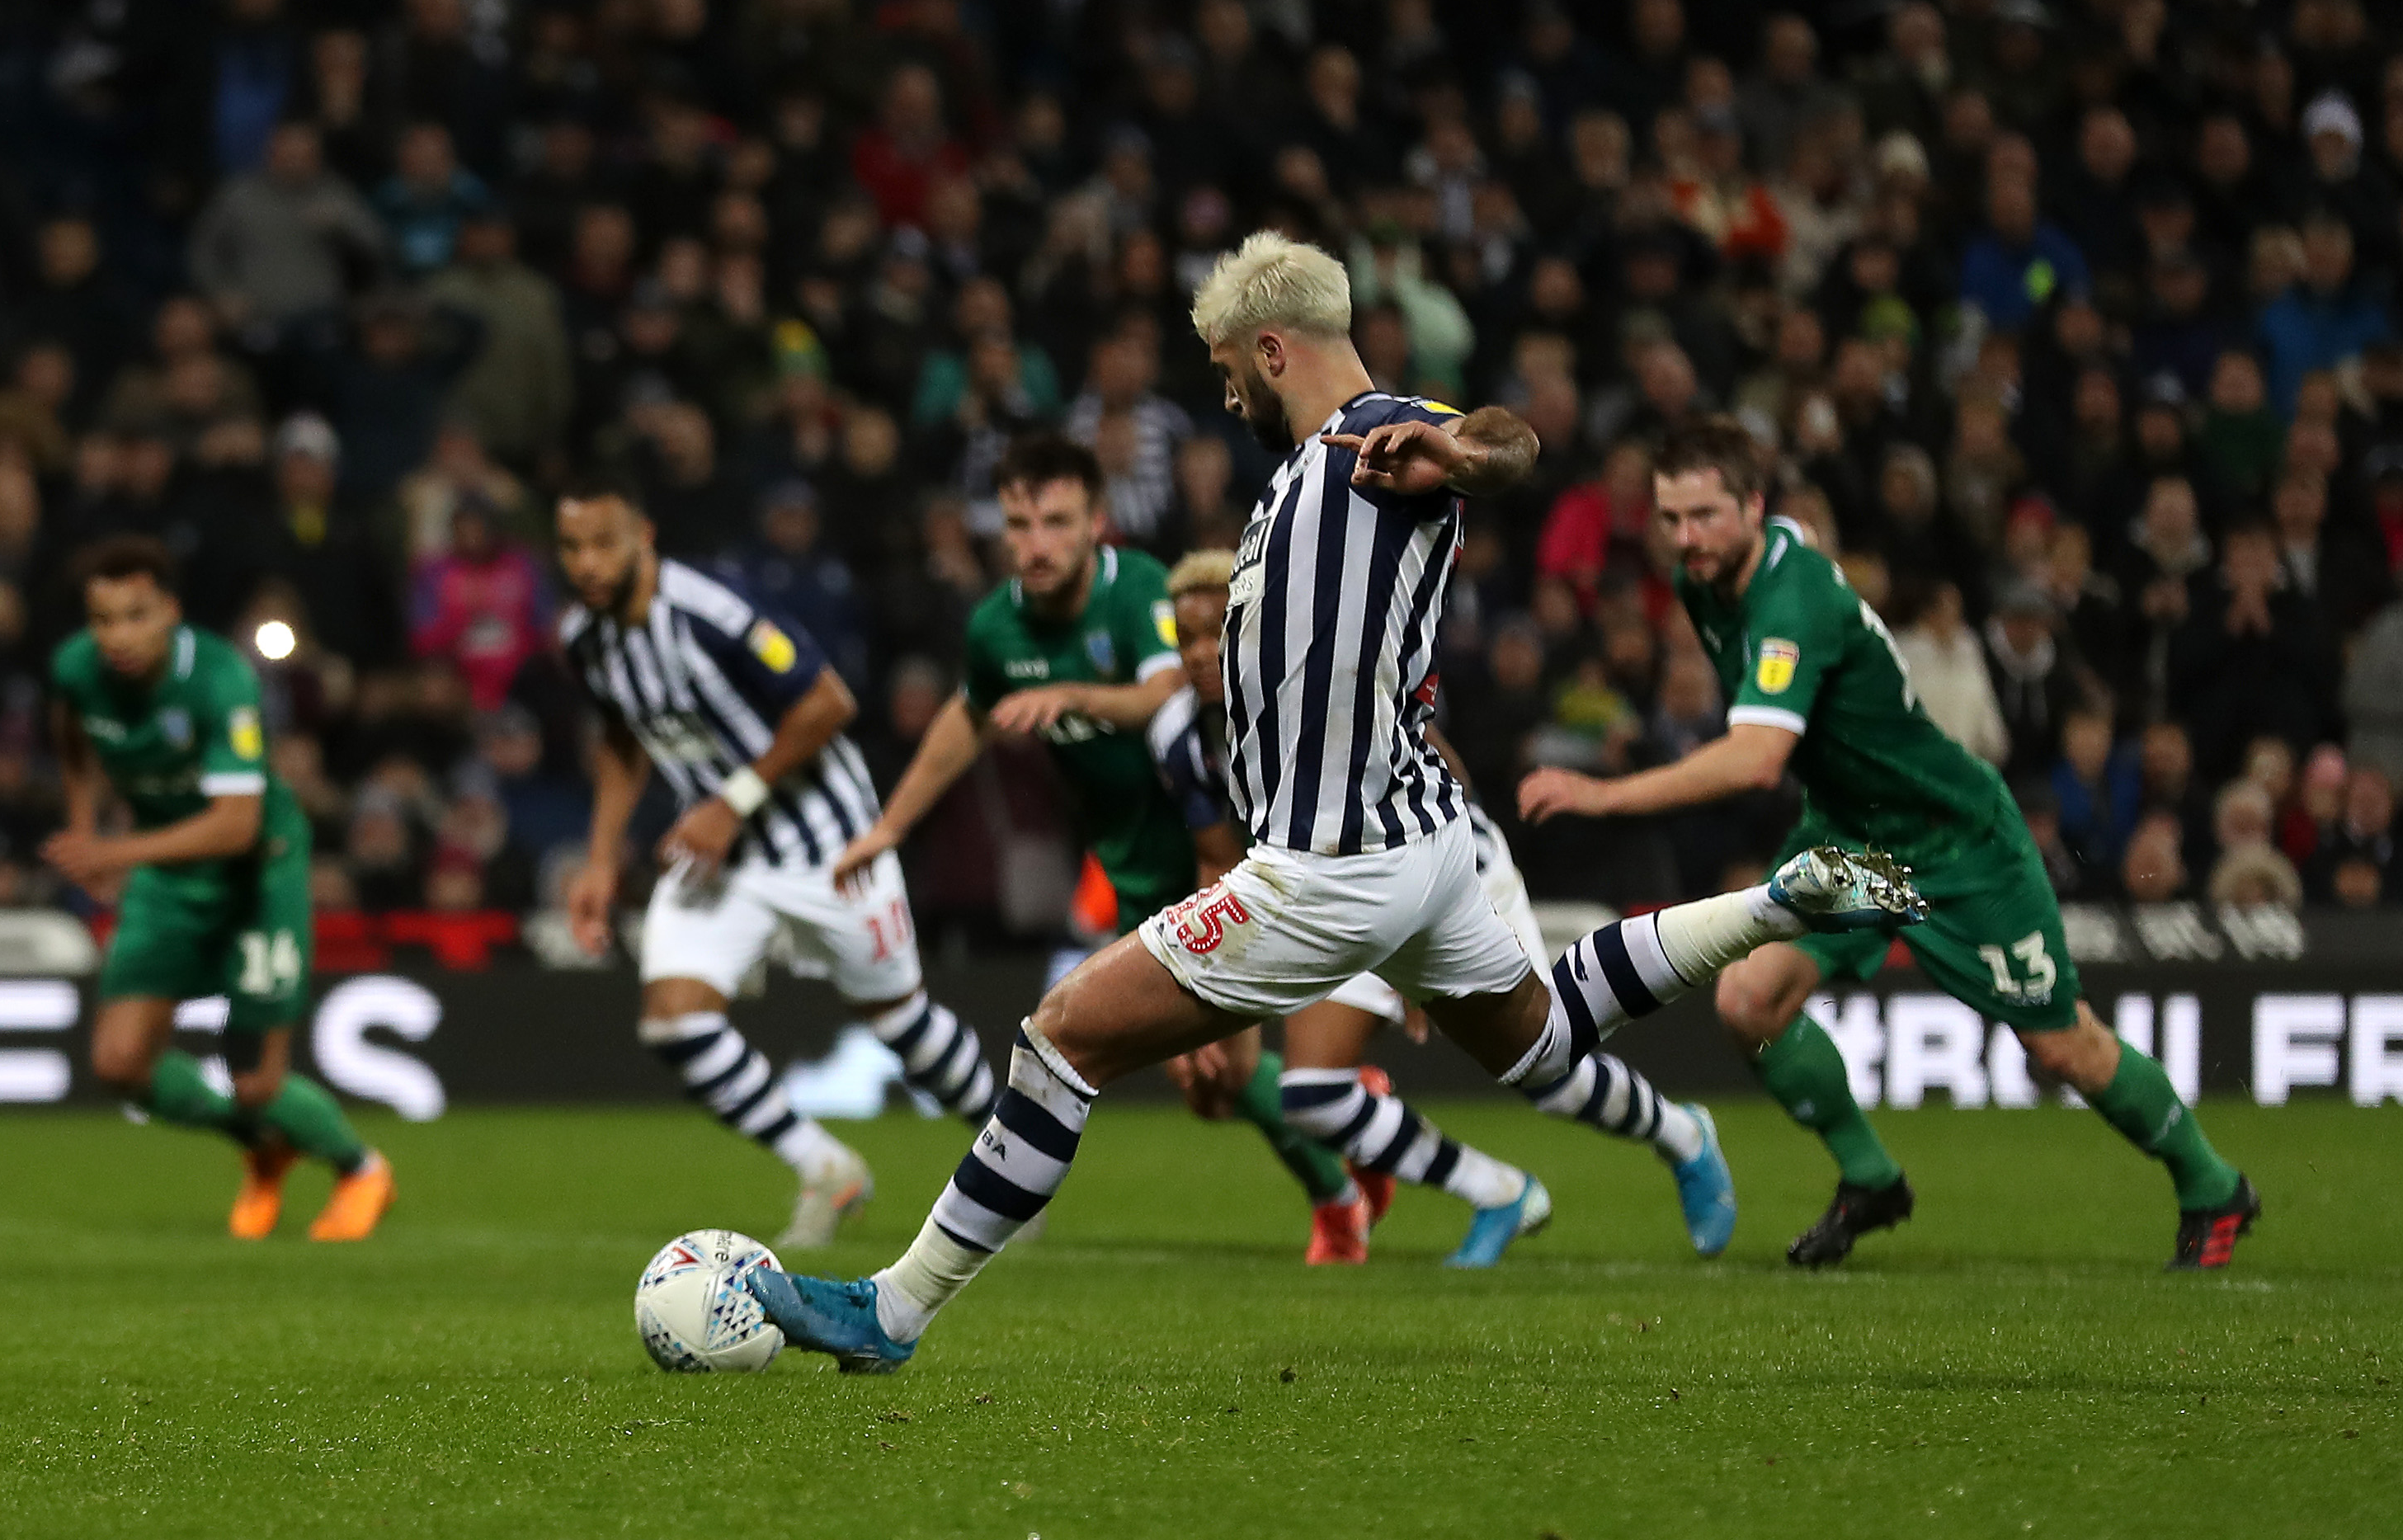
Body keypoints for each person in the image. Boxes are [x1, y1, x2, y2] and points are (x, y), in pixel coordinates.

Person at [749, 231, 1917, 1373]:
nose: (1220, 401)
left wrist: (1457, 453)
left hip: (1332, 860)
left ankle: (890, 1311)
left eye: (1221, 374)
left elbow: (1507, 444)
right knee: (1541, 1039)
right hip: (1420, 840)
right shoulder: (1310, 473)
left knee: (1060, 1041)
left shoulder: (1373, 440)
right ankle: (1773, 902)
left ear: (1269, 350)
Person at [1521, 417, 2259, 1271]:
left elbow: (1759, 758)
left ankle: (2214, 1185)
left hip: (1952, 841)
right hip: (1856, 845)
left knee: (2060, 1046)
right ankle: (1871, 1178)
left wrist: (1605, 796)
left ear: (1752, 506)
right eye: (1672, 518)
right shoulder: (1714, 576)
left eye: (1706, 515)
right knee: (1748, 1003)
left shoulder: (1790, 599)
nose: (1687, 538)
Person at [829, 436, 1362, 1239]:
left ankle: (1344, 1187)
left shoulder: (1139, 590)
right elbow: (967, 719)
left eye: (1054, 522)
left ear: (1094, 524)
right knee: (1213, 1089)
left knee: (1217, 1066)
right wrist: (889, 828)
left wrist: (1071, 696)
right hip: (1129, 869)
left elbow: (1164, 692)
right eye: (1018, 525)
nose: (1034, 543)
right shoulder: (997, 627)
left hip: (1207, 849)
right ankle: (1352, 1133)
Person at [1155, 549, 1737, 1265]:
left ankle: (1681, 1135)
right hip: (1337, 891)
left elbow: (1436, 766)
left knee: (1540, 1068)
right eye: (1179, 638)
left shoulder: (1319, 680)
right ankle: (1495, 1190)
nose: (1193, 653)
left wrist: (1432, 924)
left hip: (1445, 865)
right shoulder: (1182, 738)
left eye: (1208, 631)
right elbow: (1219, 857)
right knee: (1311, 1093)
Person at [554, 475, 1002, 1250]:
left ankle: (1012, 1156)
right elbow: (623, 740)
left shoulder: (710, 610)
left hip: (827, 845)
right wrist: (599, 859)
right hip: (719, 860)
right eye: (570, 547)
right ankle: (826, 1167)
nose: (587, 563)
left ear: (643, 537)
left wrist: (730, 802)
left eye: (603, 543)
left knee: (902, 1024)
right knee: (674, 1022)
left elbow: (828, 702)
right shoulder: (583, 638)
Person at [42, 536, 393, 1241]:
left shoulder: (221, 679)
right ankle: (264, 1145)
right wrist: (83, 824)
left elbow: (236, 824)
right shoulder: (78, 670)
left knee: (257, 1082)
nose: (117, 637)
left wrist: (112, 850)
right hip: (168, 874)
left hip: (256, 874)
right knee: (119, 1064)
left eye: (135, 616)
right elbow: (72, 734)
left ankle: (359, 1167)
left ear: (170, 611)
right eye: (103, 619)